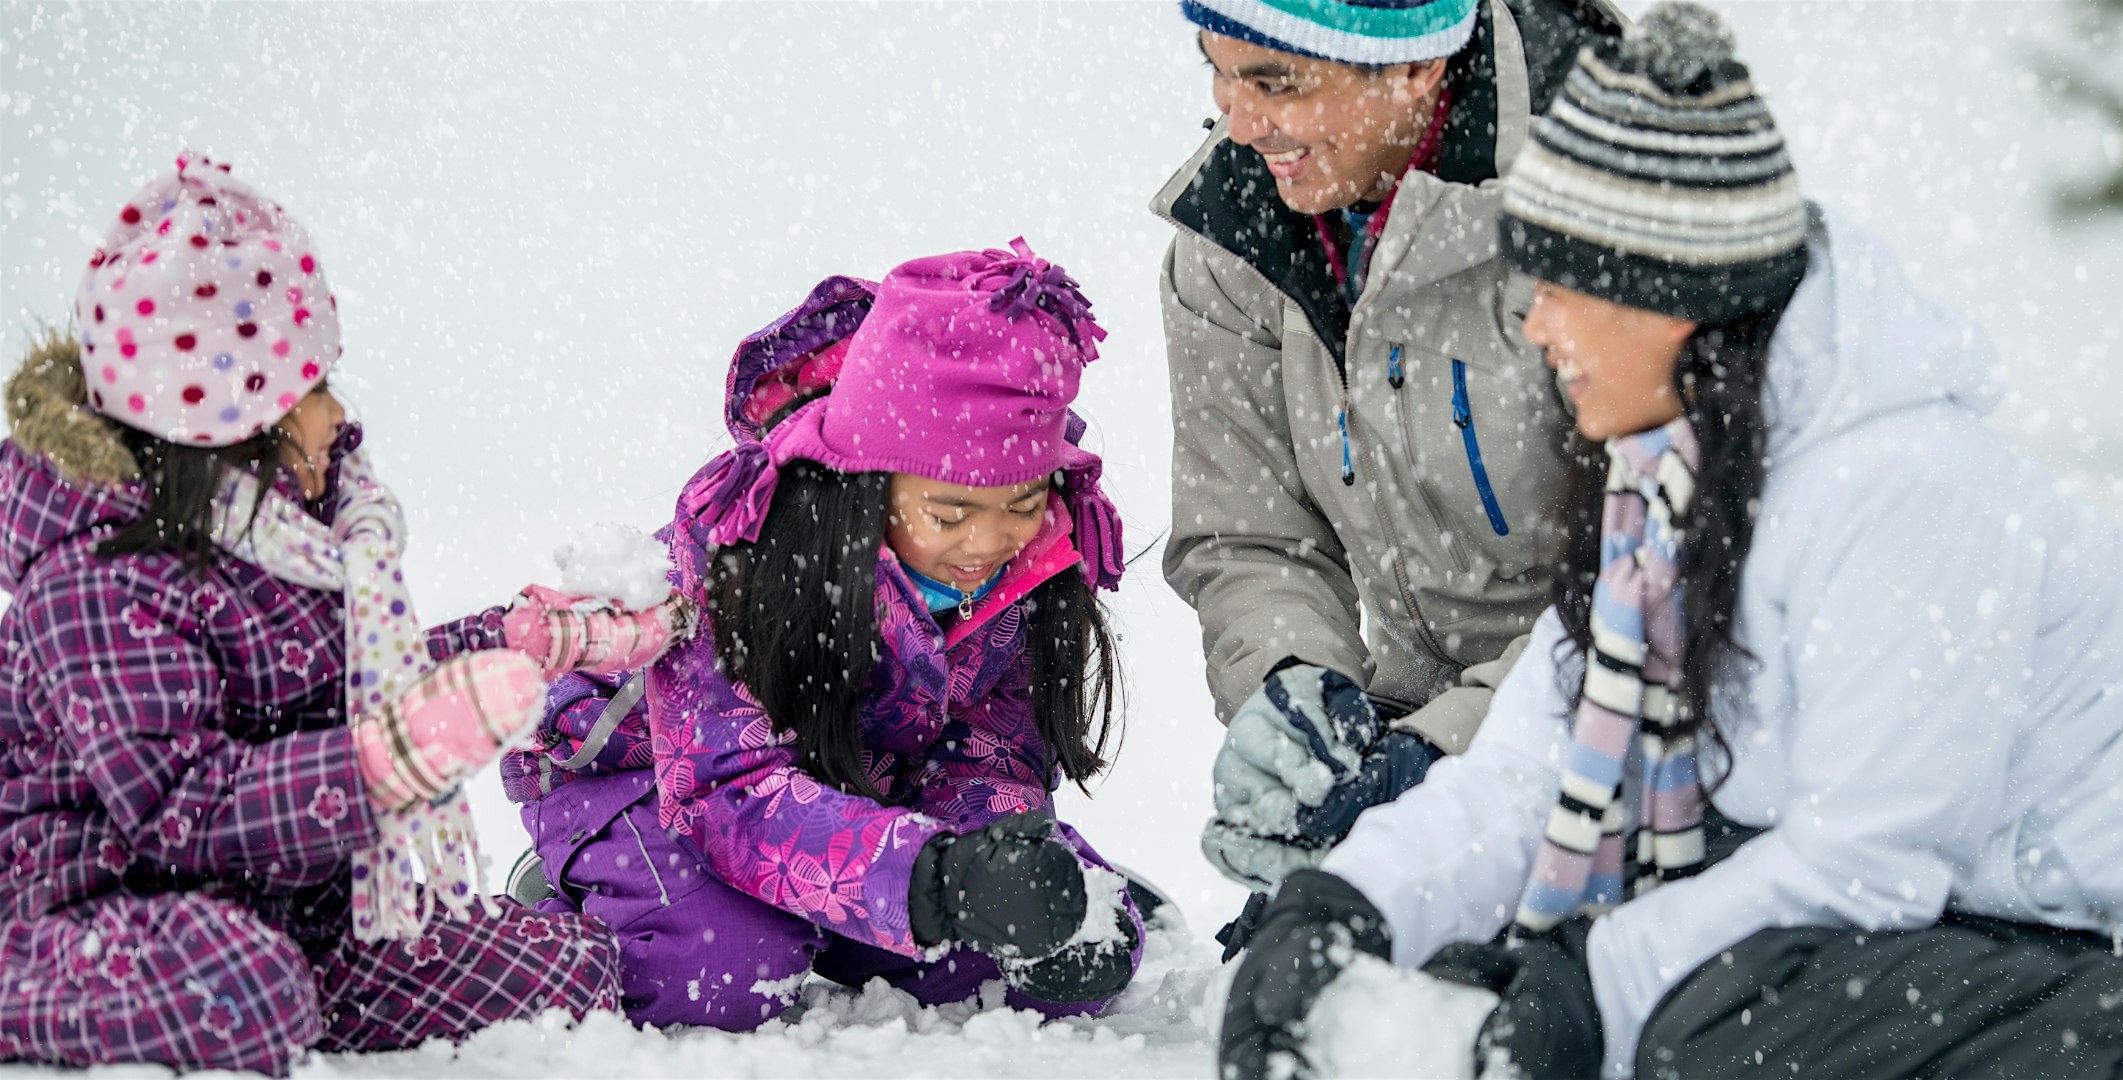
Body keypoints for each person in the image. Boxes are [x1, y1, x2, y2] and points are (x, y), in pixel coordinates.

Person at [1213, 7, 2123, 1078]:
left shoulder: (1909, 493)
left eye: (1562, 290)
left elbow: (1866, 870)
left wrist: (1589, 990)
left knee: (1714, 1028)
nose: (1537, 328)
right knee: (1550, 947)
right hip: (1954, 928)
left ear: (1668, 302)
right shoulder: (1661, 478)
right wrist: (1346, 906)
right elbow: (1535, 772)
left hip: (2095, 954)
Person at [0, 154, 690, 1074]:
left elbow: (350, 679)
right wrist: (383, 765)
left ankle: (287, 987)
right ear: (229, 422)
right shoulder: (99, 578)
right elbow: (182, 810)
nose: (337, 416)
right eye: (309, 390)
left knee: (564, 970)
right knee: (245, 992)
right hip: (99, 900)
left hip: (291, 891)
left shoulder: (291, 534)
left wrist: (517, 639)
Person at [502, 242, 1144, 1031]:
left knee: (1013, 966)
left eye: (1019, 505)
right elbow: (724, 790)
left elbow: (987, 754)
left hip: (848, 782)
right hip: (646, 779)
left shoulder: (1027, 570)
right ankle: (576, 893)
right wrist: (928, 879)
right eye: (950, 513)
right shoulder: (745, 554)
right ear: (870, 479)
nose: (987, 544)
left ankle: (821, 915)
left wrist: (997, 867)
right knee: (718, 975)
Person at [1154, 0, 1627, 920]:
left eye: (1275, 80)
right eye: (1218, 67)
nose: (1240, 124)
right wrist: (1304, 707)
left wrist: (1449, 764)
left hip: (1648, 748)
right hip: (1421, 730)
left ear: (1414, 68)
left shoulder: (1617, 206)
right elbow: (1251, 536)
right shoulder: (1231, 235)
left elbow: (1670, 587)